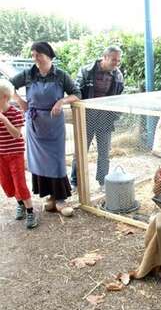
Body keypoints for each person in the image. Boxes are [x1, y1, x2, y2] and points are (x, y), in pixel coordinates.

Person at [11, 42, 81, 217]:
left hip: (54, 125)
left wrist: (61, 101)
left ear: (48, 56)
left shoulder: (60, 75)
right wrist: (20, 101)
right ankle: (50, 197)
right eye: (33, 55)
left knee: (56, 160)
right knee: (40, 161)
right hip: (35, 124)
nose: (35, 58)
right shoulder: (28, 74)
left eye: (39, 55)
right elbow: (7, 85)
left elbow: (77, 94)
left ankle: (61, 199)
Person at [70, 46, 124, 191]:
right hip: (86, 117)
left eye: (118, 60)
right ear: (104, 57)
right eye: (113, 60)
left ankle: (102, 182)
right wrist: (78, 115)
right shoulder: (86, 71)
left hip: (105, 119)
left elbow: (119, 99)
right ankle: (75, 182)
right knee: (80, 151)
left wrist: (114, 116)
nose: (116, 63)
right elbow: (75, 92)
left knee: (104, 153)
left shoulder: (118, 75)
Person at [0, 79, 38, 229]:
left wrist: (4, 119)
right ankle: (20, 204)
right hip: (1, 154)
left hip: (15, 153)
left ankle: (30, 212)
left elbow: (16, 134)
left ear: (4, 97)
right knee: (7, 183)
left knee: (19, 183)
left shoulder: (15, 113)